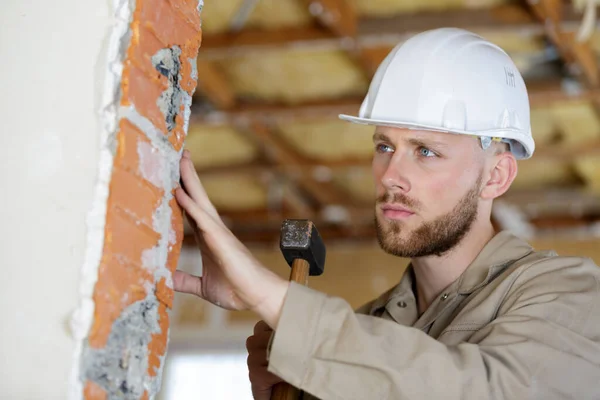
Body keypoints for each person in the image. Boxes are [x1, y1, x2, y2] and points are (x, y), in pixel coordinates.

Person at [173, 28, 600, 399]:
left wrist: (270, 298)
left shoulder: (568, 295)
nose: (391, 175)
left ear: (496, 176)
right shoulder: (365, 328)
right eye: (384, 147)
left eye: (426, 151)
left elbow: (485, 391)